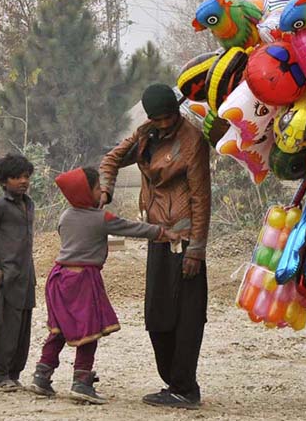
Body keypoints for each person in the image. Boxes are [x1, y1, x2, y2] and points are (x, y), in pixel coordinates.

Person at [99, 83, 211, 410]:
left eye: (168, 118)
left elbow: (201, 198)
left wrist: (196, 250)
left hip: (184, 239)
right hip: (158, 235)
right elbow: (111, 159)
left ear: (177, 111)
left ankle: (184, 387)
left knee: (186, 315)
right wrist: (105, 191)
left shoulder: (192, 142)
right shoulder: (146, 134)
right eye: (157, 118)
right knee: (157, 313)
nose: (164, 124)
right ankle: (173, 382)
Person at [28, 166, 181, 404]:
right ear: (86, 193)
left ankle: (42, 375)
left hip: (58, 278)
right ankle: (81, 381)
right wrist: (163, 232)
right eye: (98, 188)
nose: (103, 192)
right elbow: (133, 228)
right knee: (89, 330)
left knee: (58, 328)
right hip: (83, 280)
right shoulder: (102, 219)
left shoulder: (65, 216)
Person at [0, 153, 36, 391]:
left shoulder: (29, 204)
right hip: (7, 279)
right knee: (5, 329)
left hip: (26, 278)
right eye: (16, 177)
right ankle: (0, 375)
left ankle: (14, 374)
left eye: (26, 176)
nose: (23, 181)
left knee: (23, 331)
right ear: (4, 181)